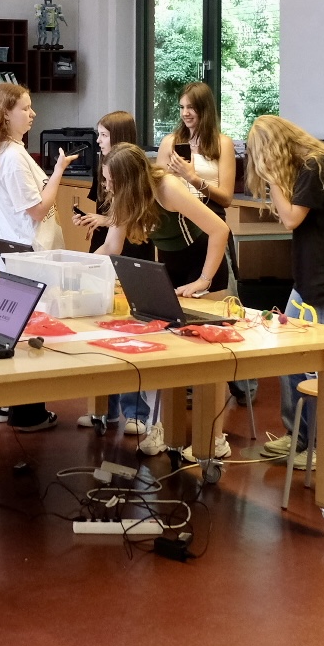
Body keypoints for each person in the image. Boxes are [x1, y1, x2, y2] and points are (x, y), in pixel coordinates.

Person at [95, 143, 232, 461]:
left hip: (203, 267)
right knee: (170, 351)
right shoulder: (127, 197)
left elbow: (219, 229)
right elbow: (112, 246)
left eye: (110, 181)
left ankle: (214, 439)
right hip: (173, 269)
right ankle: (162, 427)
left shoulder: (167, 188)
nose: (107, 186)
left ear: (127, 179)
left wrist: (204, 280)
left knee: (208, 356)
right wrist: (76, 266)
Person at [244, 116, 324, 467]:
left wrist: (273, 177)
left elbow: (291, 218)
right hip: (308, 281)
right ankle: (299, 437)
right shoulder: (309, 166)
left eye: (259, 154)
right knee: (289, 359)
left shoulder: (316, 166)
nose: (258, 162)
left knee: (316, 369)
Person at [0, 82, 76, 432]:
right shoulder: (15, 157)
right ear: (6, 113)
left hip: (18, 251)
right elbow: (36, 209)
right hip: (29, 252)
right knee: (31, 333)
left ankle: (7, 403)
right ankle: (26, 412)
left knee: (16, 329)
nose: (33, 114)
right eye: (25, 108)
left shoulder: (8, 150)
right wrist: (60, 170)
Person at [73, 111, 153, 432]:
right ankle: (104, 411)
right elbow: (111, 237)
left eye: (103, 135)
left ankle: (136, 412)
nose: (98, 141)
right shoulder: (114, 177)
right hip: (111, 258)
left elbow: (117, 243)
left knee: (124, 335)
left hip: (134, 264)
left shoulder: (133, 182)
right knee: (103, 331)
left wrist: (82, 263)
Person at [155, 82, 237, 293]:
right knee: (173, 295)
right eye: (182, 107)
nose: (185, 113)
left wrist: (192, 178)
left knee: (210, 295)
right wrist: (173, 177)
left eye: (191, 107)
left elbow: (226, 198)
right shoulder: (169, 142)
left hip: (209, 225)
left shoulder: (223, 143)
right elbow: (157, 189)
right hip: (176, 228)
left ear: (205, 109)